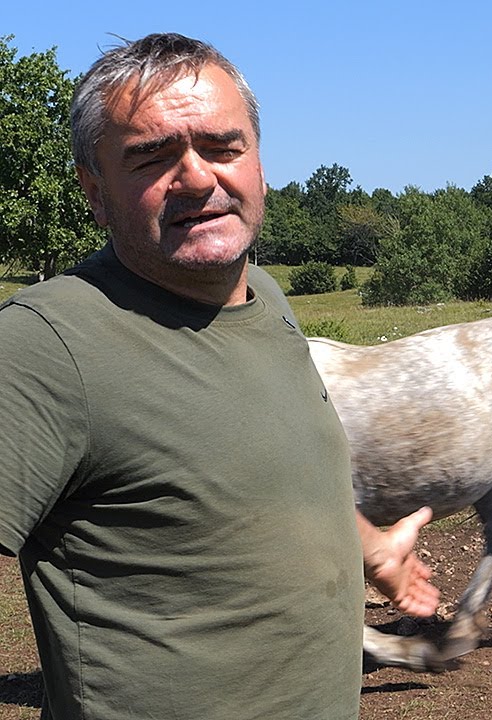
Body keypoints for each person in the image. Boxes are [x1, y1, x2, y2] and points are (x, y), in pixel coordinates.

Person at [0, 33, 438, 719]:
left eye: (222, 147)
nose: (199, 178)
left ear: (258, 165)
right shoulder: (46, 344)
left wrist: (373, 550)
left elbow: (268, 474)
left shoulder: (265, 299)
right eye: (152, 157)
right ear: (95, 192)